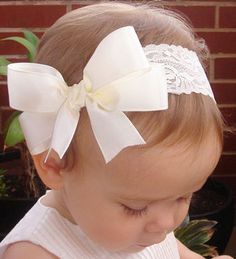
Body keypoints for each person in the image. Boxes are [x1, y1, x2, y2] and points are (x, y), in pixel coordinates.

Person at [0, 2, 233, 259]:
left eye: (182, 197)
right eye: (135, 208)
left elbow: (170, 250)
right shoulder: (35, 253)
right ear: (54, 165)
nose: (167, 224)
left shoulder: (146, 221)